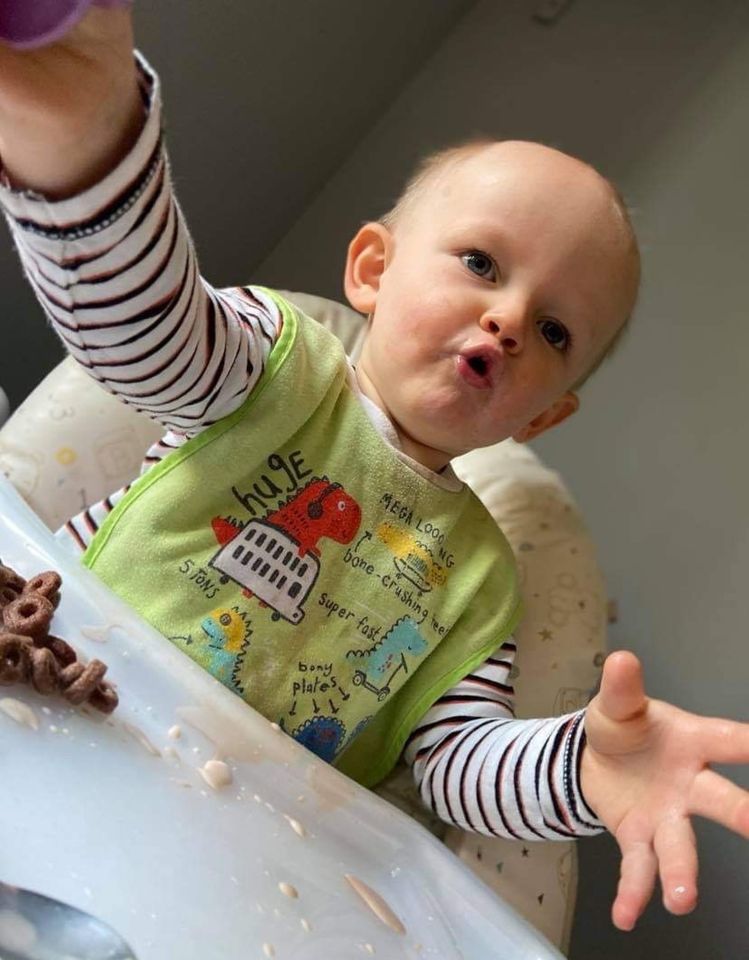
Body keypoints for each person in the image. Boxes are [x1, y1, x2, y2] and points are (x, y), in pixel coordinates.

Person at [0, 6, 747, 935]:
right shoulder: (275, 365)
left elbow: (459, 766)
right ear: (371, 270)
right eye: (480, 262)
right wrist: (87, 153)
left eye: (554, 331)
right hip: (49, 690)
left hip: (229, 840)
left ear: (545, 413)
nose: (508, 319)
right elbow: (141, 333)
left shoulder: (478, 576)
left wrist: (581, 771)